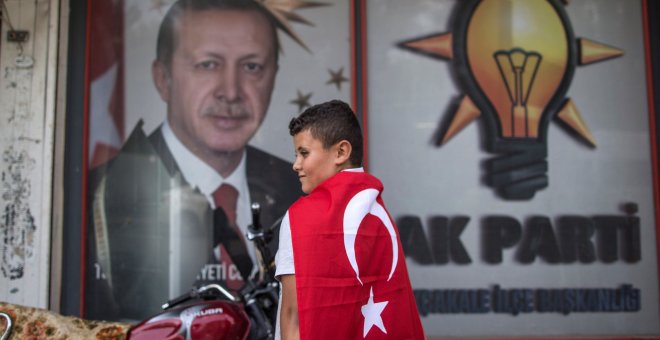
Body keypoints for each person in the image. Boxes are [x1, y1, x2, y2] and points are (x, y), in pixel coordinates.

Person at [85, 0, 302, 321]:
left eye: (252, 66)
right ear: (163, 79)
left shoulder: (301, 190)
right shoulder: (96, 195)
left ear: (273, 78)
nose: (230, 92)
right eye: (208, 64)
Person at [275, 100, 425, 339]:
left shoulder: (300, 219)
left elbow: (294, 317)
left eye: (304, 153)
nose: (296, 165)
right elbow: (400, 302)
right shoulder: (378, 212)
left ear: (341, 152)